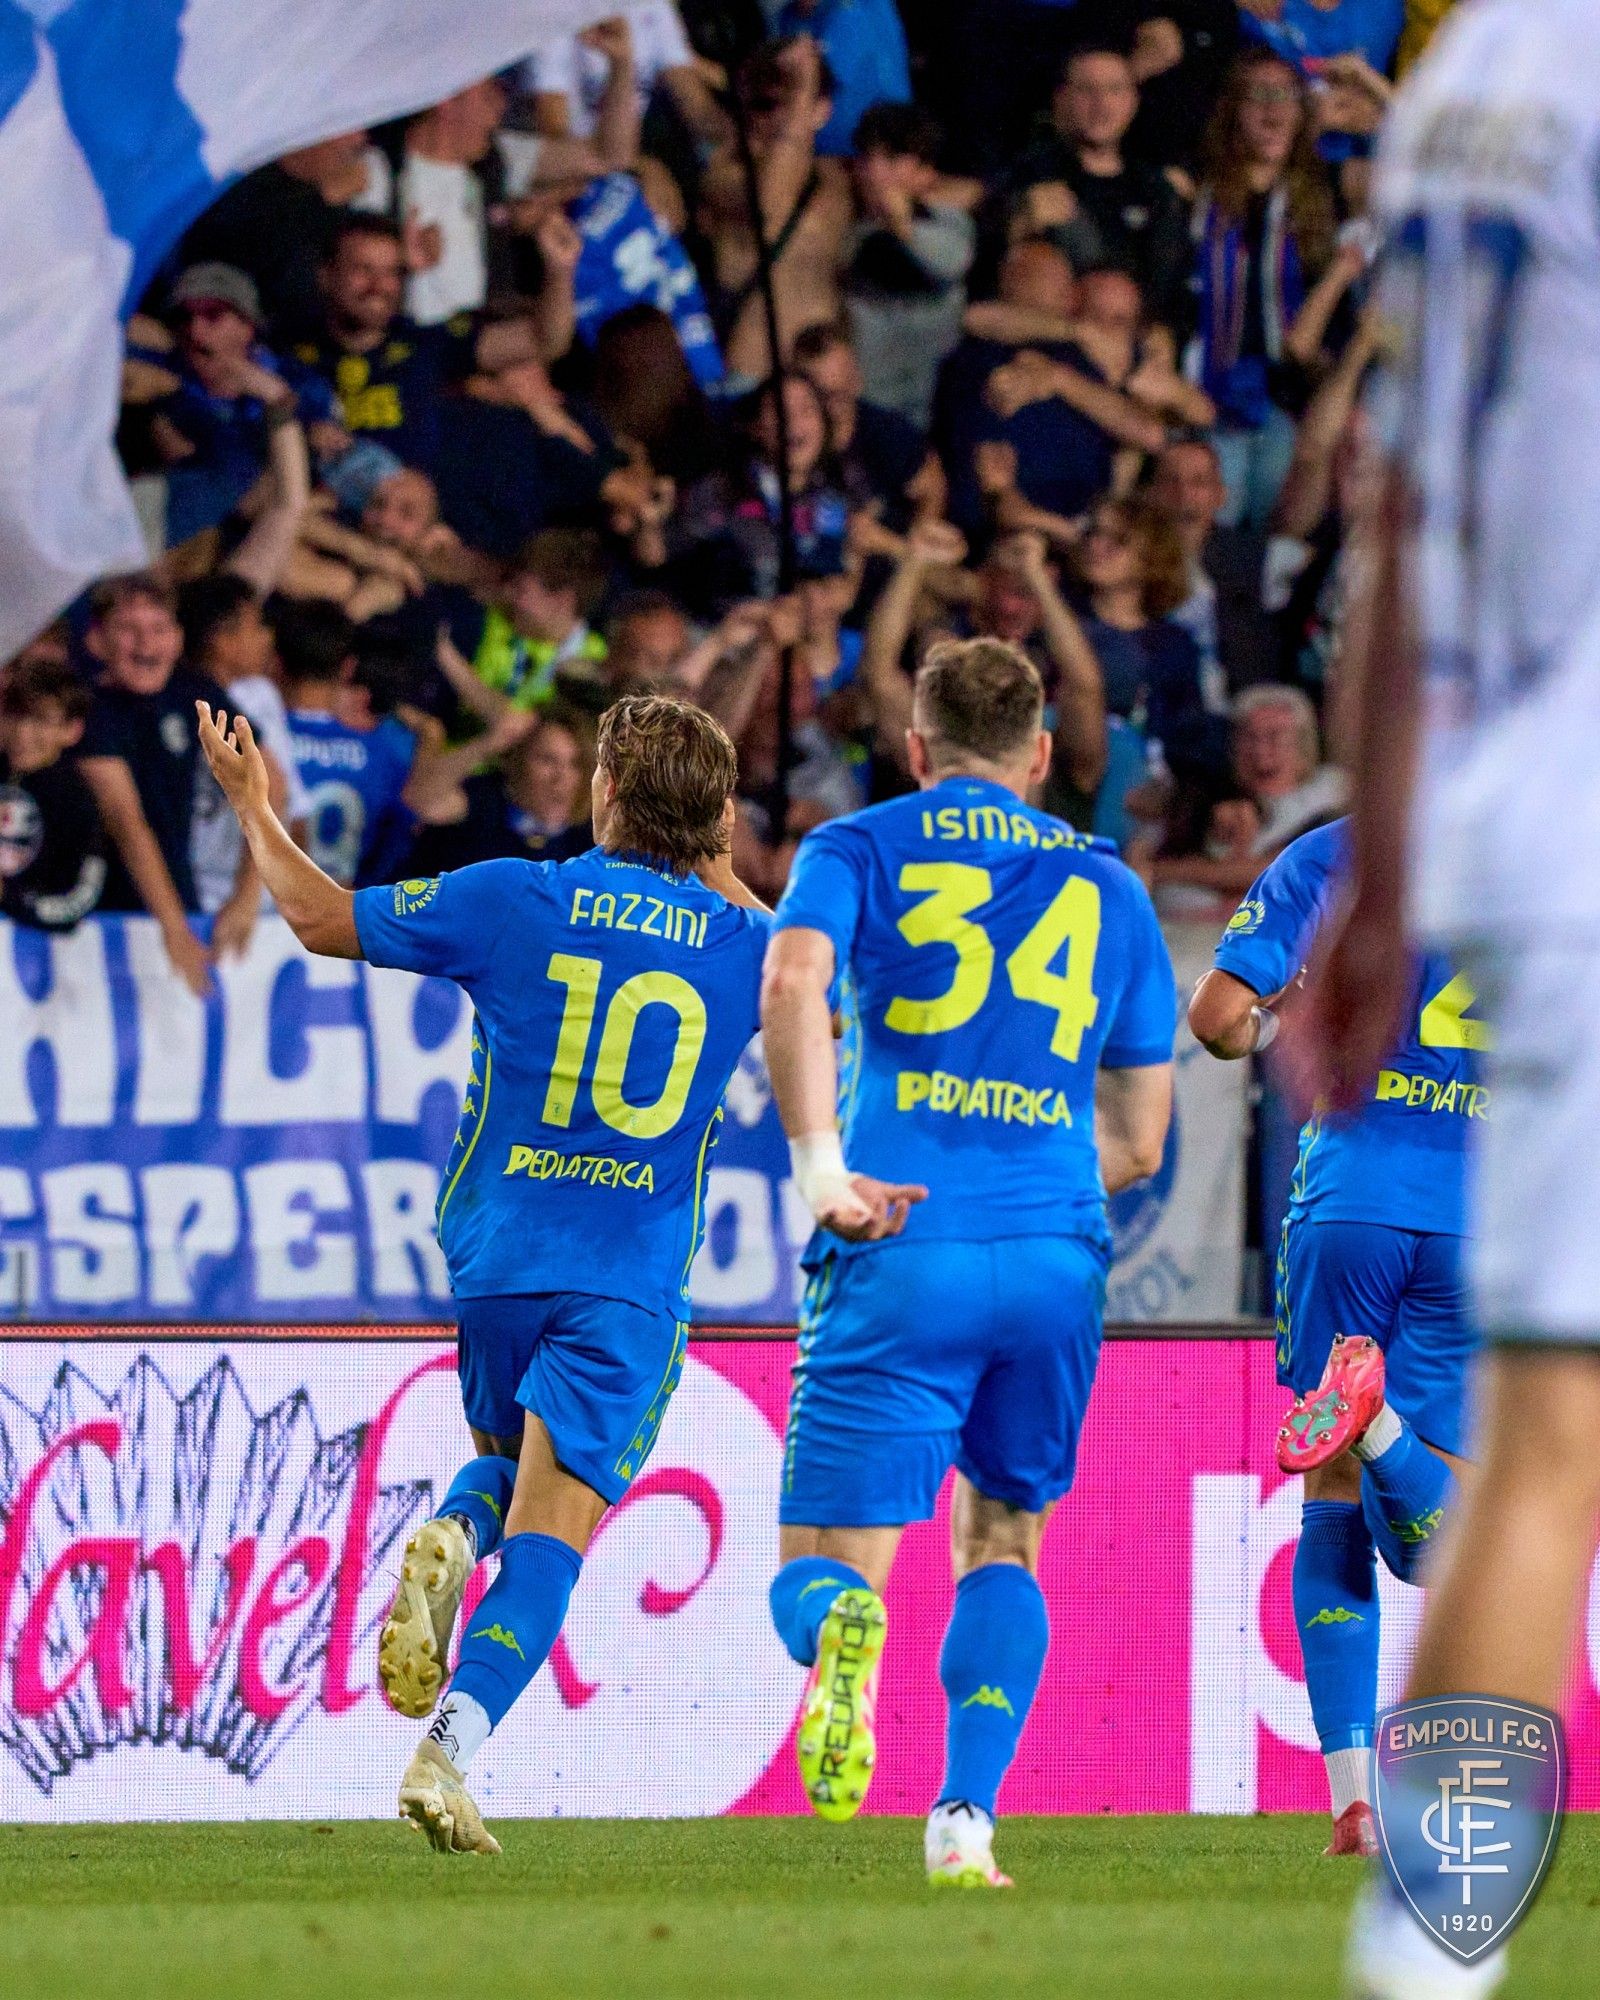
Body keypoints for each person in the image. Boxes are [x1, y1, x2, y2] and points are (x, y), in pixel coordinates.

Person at [193, 690, 769, 1852]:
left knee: (503, 1473)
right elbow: (834, 993)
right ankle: (446, 1749)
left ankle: (456, 1531)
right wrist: (720, 863)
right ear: (713, 817)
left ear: (607, 790)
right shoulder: (747, 947)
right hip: (625, 1277)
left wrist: (253, 804)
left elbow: (318, 916)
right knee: (555, 1528)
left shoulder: (513, 895)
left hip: (498, 1259)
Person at [1300, 5, 1600, 1993]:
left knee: (1542, 1439)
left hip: (1514, 808)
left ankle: (1422, 1962)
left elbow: (1390, 512)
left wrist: (1378, 883)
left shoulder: (1453, 98)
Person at [760, 636, 1176, 1884]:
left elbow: (790, 980)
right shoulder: (1114, 886)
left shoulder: (856, 845)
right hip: (1054, 1253)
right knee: (1003, 1538)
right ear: (1041, 753)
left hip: (900, 1236)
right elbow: (1141, 1141)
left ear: (914, 748)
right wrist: (1034, 1179)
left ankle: (845, 1625)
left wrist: (821, 1171)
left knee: (817, 1569)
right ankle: (963, 1822)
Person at [1188, 817, 1475, 1858]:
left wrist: (1281, 1027)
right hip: (1481, 1213)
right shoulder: (1551, 849)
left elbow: (1217, 1019)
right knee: (1438, 1545)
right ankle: (1384, 1422)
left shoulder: (1337, 850)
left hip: (1350, 1191)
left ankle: (1352, 1801)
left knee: (1333, 1488)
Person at [77, 575, 260, 995]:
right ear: (97, 641)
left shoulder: (193, 692)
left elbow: (268, 781)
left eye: (159, 629)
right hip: (105, 918)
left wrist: (247, 896)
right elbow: (128, 824)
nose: (146, 643)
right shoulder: (89, 710)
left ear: (177, 639)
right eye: (128, 629)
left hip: (182, 906)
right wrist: (173, 929)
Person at [1189, 50, 1335, 528]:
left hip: (1289, 399)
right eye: (1258, 96)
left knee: (1279, 535)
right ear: (1232, 110)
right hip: (1207, 394)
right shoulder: (1195, 196)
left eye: (1285, 96)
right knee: (1217, 526)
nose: (1273, 111)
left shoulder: (1324, 201)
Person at [1007, 45, 1191, 333]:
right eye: (1086, 90)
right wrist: (1019, 225)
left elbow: (1169, 284)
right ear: (1061, 99)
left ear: (1132, 101)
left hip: (1131, 337)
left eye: (1114, 90)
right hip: (1052, 335)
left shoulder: (1155, 189)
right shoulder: (1030, 175)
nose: (1101, 103)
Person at [699, 37, 852, 381]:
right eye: (759, 104)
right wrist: (803, 89)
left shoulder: (835, 178)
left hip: (824, 375)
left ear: (822, 110)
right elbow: (770, 204)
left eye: (778, 103)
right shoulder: (725, 176)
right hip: (755, 375)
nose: (765, 118)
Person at [842, 103, 976, 429]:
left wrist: (902, 225)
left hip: (938, 408)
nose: (874, 172)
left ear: (925, 173)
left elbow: (953, 261)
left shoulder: (948, 222)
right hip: (869, 409)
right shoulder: (850, 235)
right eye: (867, 158)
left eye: (890, 159)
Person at [0, 657, 105, 932]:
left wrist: (11, 898)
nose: (22, 733)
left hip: (37, 948)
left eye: (40, 721)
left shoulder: (75, 798)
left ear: (72, 730)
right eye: (14, 715)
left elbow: (80, 897)